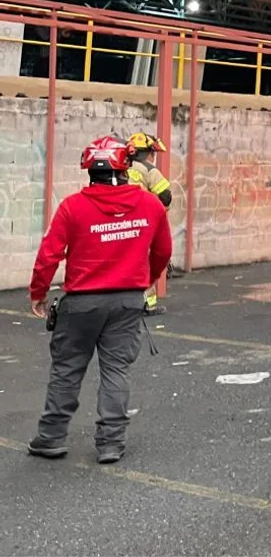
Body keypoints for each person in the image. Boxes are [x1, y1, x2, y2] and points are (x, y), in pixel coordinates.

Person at [27, 135, 172, 464]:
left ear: (89, 169)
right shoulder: (150, 205)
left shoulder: (72, 207)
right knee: (116, 371)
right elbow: (163, 251)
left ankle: (51, 437)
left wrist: (38, 293)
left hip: (81, 303)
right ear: (126, 167)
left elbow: (48, 256)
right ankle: (111, 443)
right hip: (127, 302)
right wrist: (145, 281)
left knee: (67, 370)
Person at [126, 132, 172, 316]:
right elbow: (166, 196)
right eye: (153, 153)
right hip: (142, 223)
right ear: (147, 153)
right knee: (144, 263)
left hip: (119, 223)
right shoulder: (148, 169)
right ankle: (148, 304)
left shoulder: (120, 167)